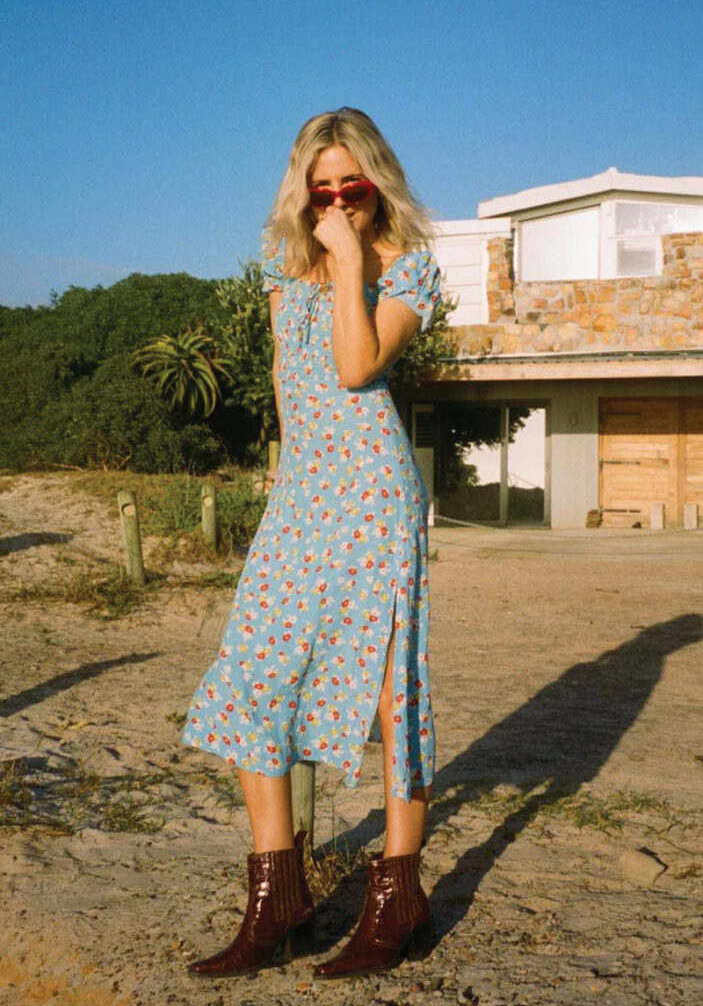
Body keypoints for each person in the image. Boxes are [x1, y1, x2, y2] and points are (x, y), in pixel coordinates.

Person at [181, 106, 440, 980]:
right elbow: (292, 391)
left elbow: (355, 368)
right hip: (303, 497)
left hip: (372, 495)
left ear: (376, 186)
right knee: (254, 678)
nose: (335, 199)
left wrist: (351, 265)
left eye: (351, 186)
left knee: (388, 695)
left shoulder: (406, 268)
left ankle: (397, 898)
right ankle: (276, 896)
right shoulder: (280, 270)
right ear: (303, 190)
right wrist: (285, 483)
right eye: (320, 187)